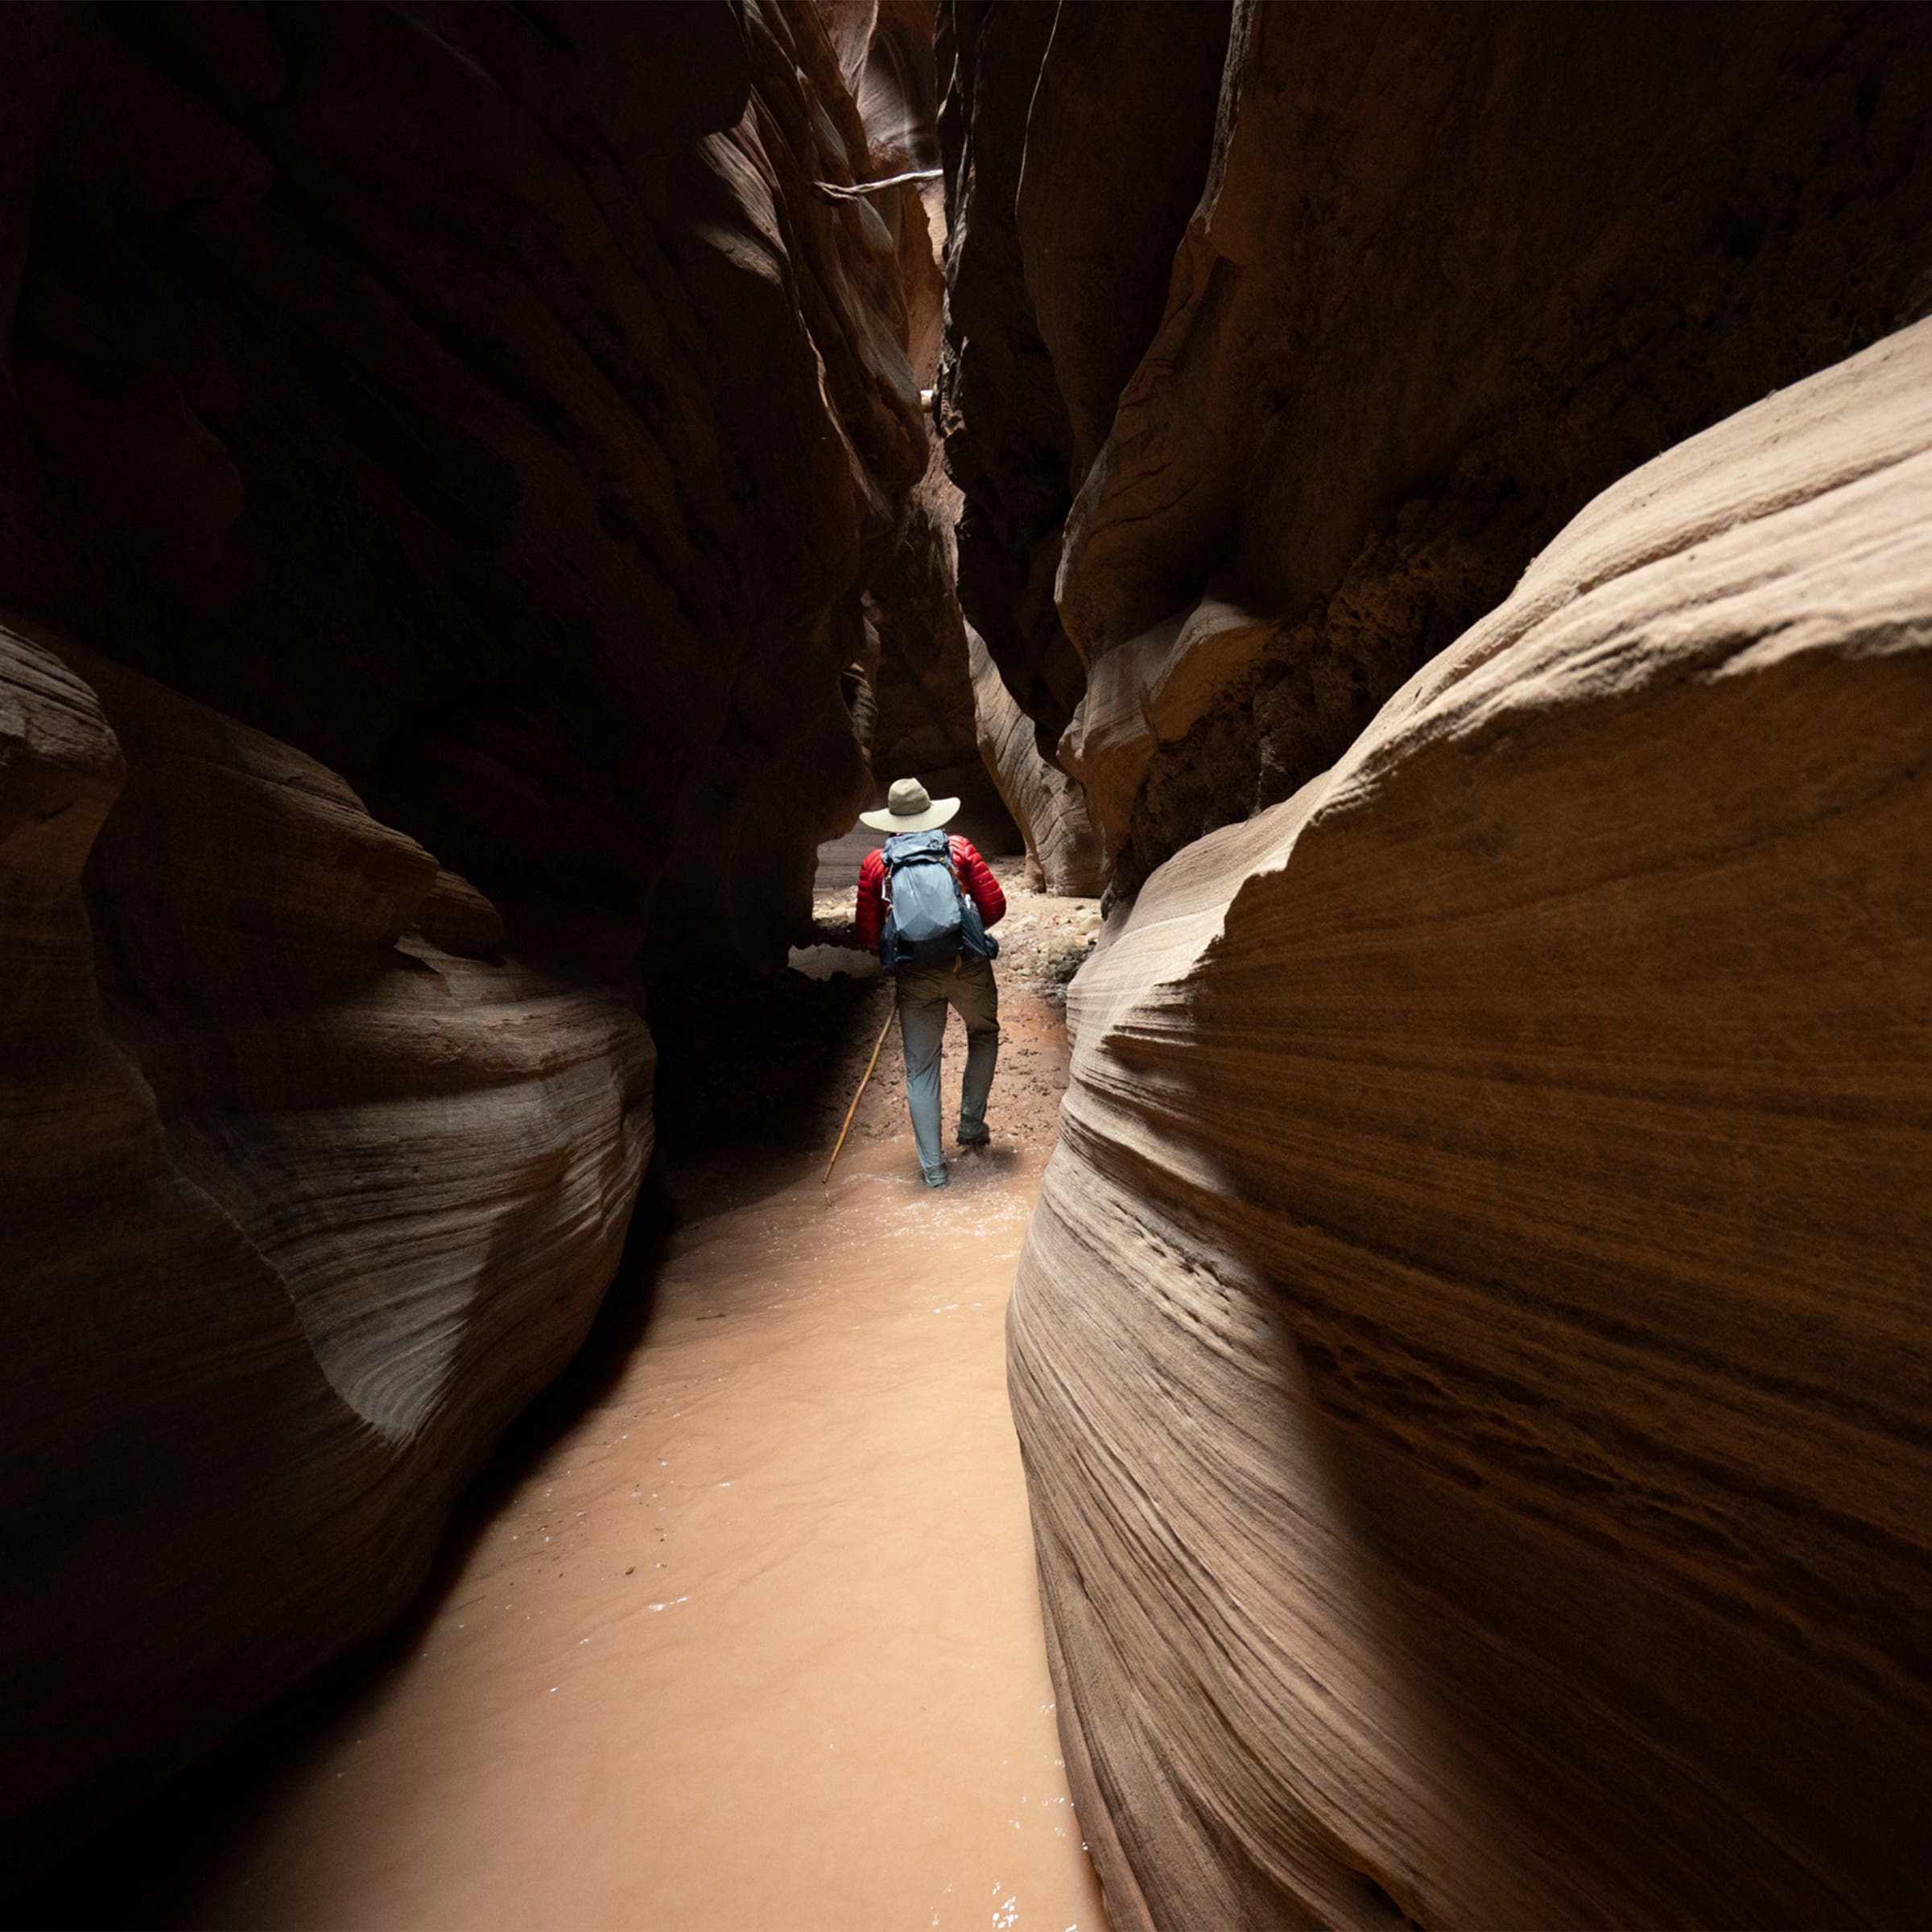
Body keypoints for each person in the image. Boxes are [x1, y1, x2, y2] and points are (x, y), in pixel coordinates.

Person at [854, 777, 1007, 1188]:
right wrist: (959, 927)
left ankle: (935, 1173)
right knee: (983, 1033)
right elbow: (995, 907)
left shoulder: (876, 864)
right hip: (966, 965)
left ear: (892, 821)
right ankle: (971, 1127)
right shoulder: (958, 849)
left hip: (914, 975)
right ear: (930, 812)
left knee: (921, 1068)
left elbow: (867, 935)